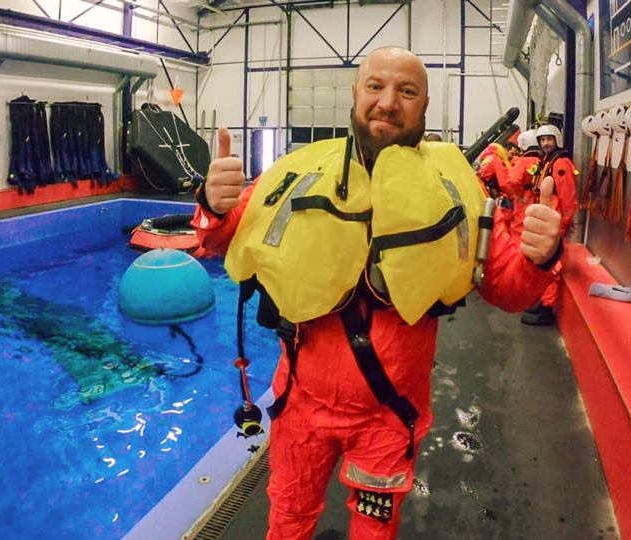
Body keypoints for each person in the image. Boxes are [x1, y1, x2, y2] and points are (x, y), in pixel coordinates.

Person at [192, 46, 564, 540]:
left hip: (389, 417)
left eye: (406, 91)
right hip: (300, 403)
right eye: (376, 86)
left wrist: (538, 258)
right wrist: (213, 206)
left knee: (375, 530)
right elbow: (224, 238)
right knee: (287, 517)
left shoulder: (455, 189)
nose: (388, 102)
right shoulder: (299, 173)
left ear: (425, 105)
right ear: (355, 93)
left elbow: (504, 286)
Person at [520, 123, 578, 326]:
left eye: (549, 140)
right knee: (542, 260)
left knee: (552, 263)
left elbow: (568, 196)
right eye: (542, 140)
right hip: (547, 217)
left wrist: (564, 221)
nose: (545, 143)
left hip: (555, 220)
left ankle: (547, 307)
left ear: (557, 140)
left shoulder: (560, 163)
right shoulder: (547, 162)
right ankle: (543, 300)